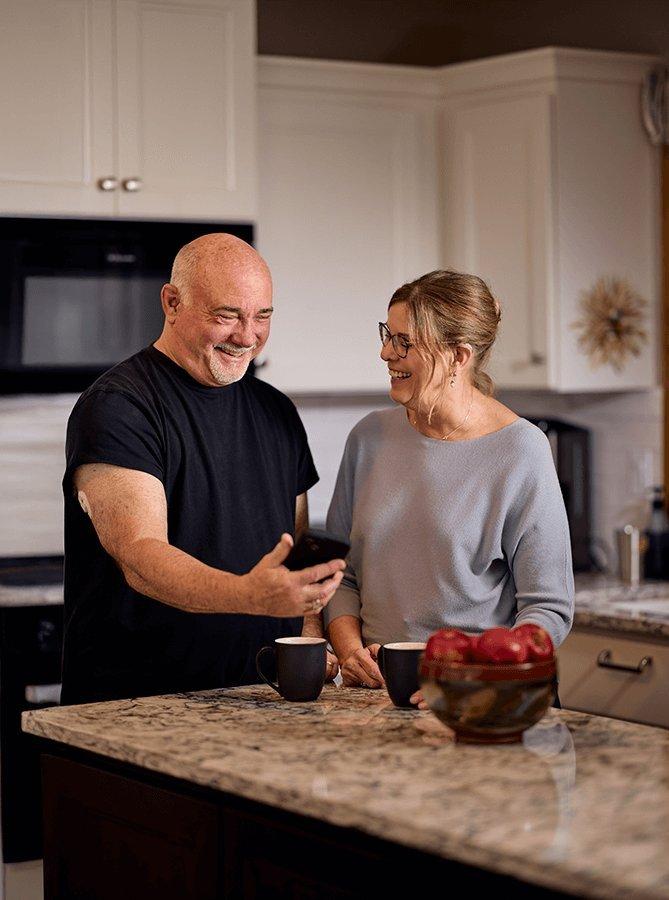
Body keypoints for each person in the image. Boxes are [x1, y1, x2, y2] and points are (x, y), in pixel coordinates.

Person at [61, 234, 343, 705]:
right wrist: (248, 596)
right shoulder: (119, 406)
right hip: (137, 707)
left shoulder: (277, 412)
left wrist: (310, 635)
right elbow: (140, 556)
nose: (247, 336)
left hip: (258, 698)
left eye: (263, 316)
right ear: (172, 302)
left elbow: (295, 547)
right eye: (227, 315)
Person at [323, 269, 574, 706]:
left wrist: (478, 675)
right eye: (387, 334)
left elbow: (548, 609)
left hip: (478, 699)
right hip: (374, 696)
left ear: (458, 356)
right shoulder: (368, 438)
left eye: (404, 341)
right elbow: (340, 574)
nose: (386, 352)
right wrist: (350, 652)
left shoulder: (521, 450)